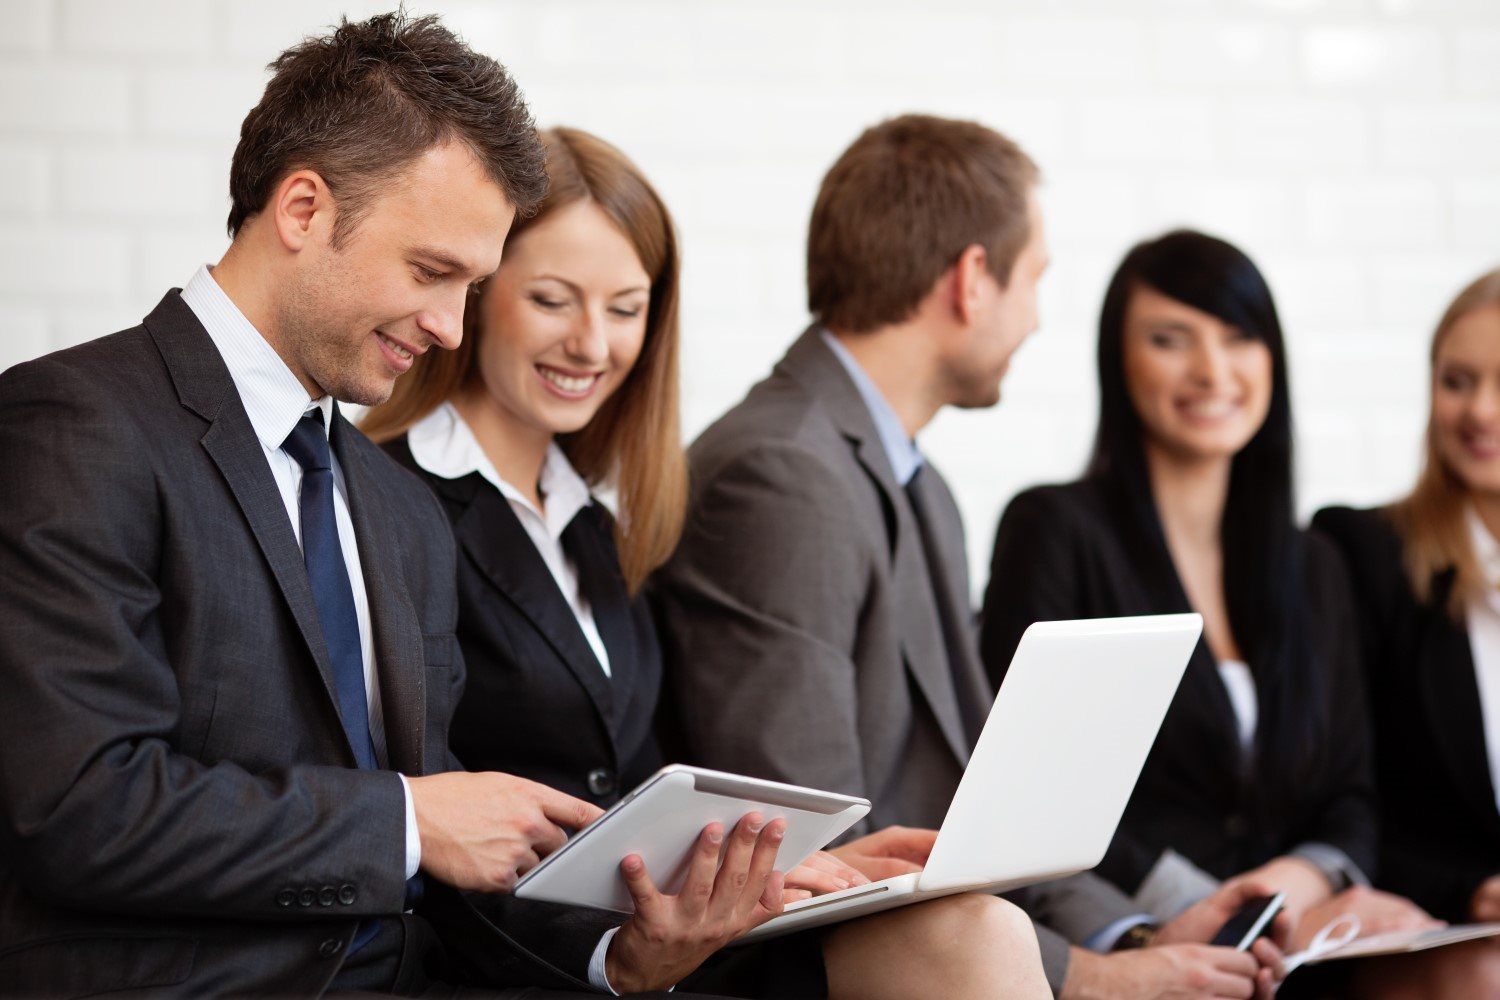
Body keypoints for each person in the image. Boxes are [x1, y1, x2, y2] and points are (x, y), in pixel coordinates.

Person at [0, 14, 688, 998]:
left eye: (473, 285)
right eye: (430, 271)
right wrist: (406, 819)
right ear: (304, 208)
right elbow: (76, 807)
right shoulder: (75, 422)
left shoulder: (395, 509)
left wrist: (617, 956)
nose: (452, 327)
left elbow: (450, 862)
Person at [363, 125, 1052, 1000]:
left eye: (625, 309)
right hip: (530, 966)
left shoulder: (596, 526)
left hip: (662, 945)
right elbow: (421, 831)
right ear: (477, 286)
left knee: (974, 930)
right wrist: (618, 956)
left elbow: (641, 796)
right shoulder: (386, 498)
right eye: (551, 299)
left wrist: (790, 867)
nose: (591, 344)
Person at [654, 117, 1287, 1000]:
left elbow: (977, 802)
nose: (1034, 318)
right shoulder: (781, 474)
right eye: (1034, 281)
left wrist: (1134, 931)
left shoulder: (919, 485)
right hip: (803, 954)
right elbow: (813, 845)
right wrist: (1097, 975)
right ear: (973, 279)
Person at [978, 230, 1442, 989]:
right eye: (1171, 340)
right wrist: (1220, 914)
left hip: (1304, 946)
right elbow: (1030, 788)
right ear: (1118, 361)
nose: (1212, 371)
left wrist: (1292, 891)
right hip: (1142, 952)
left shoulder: (1315, 563)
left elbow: (1352, 795)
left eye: (1239, 338)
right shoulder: (1056, 530)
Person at [1314, 269, 1500, 997]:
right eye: (1457, 381)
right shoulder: (1362, 553)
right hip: (1433, 932)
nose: (1480, 410)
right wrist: (1472, 890)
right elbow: (1338, 793)